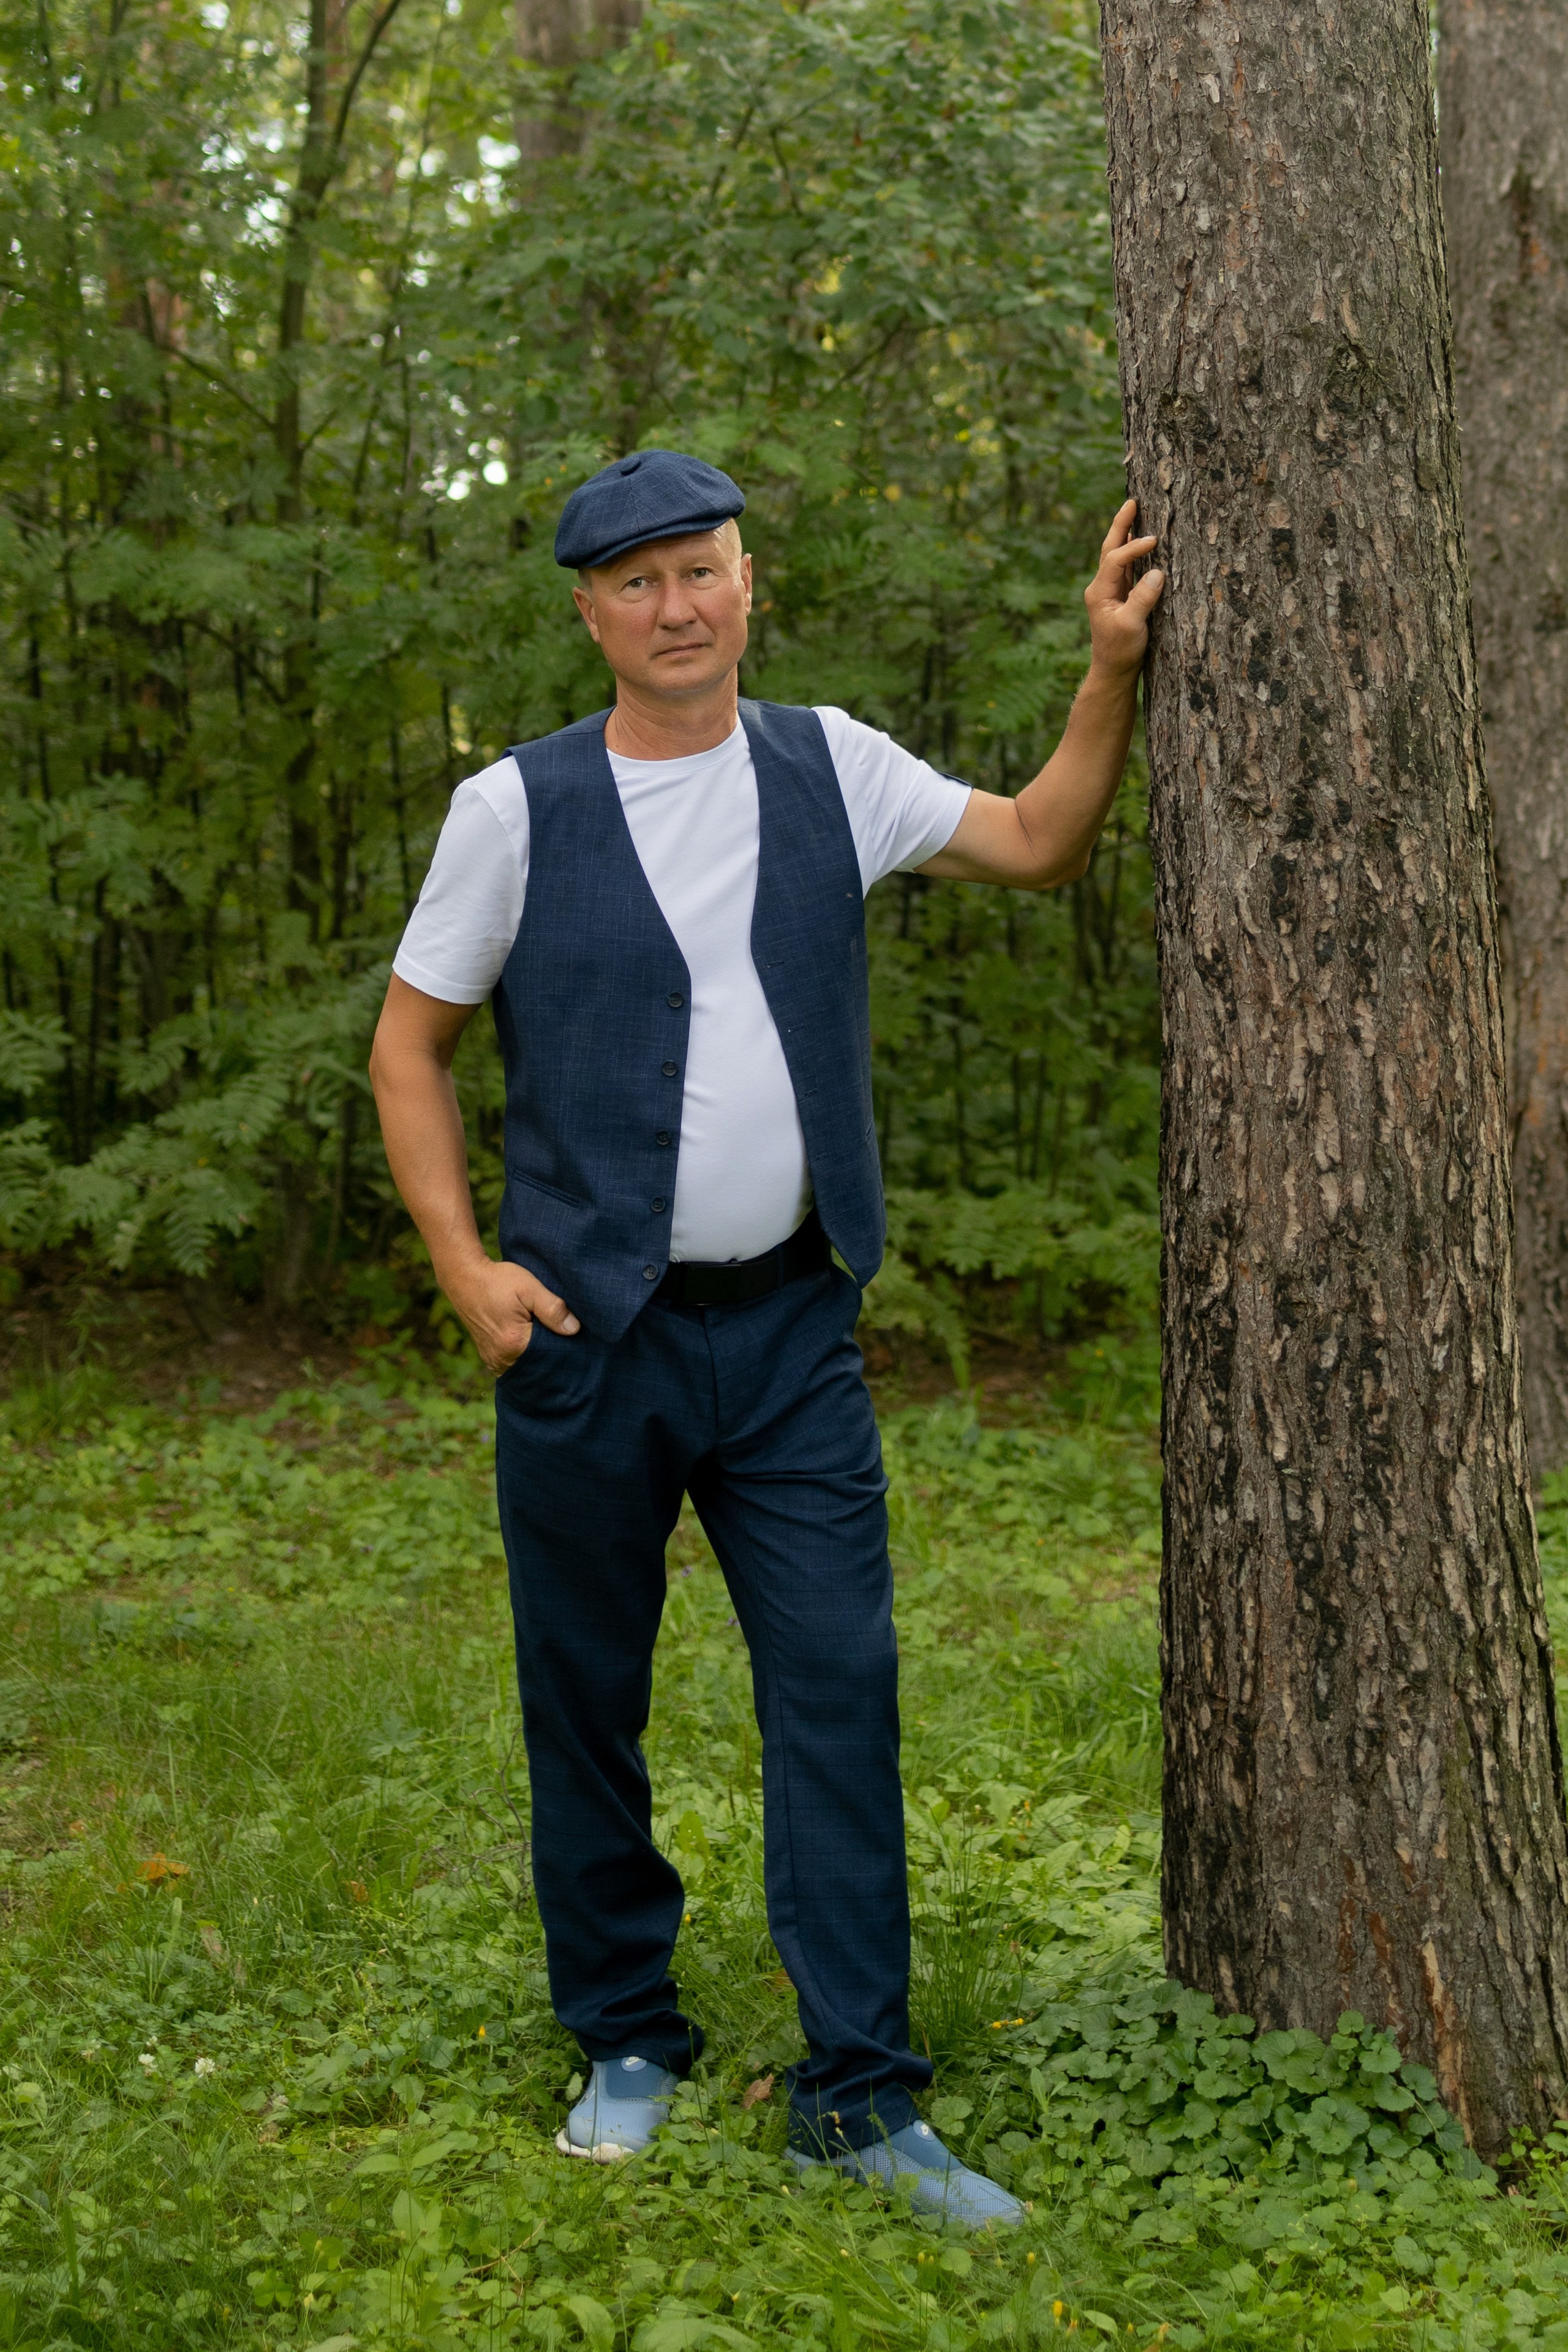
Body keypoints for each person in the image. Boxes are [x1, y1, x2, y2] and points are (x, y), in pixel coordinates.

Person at [368, 450, 1164, 2228]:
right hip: (588, 1341)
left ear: (749, 582)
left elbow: (1038, 841)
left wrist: (1108, 672)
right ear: (589, 611)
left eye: (702, 570)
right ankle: (627, 2034)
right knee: (587, 1699)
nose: (677, 606)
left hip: (793, 1327)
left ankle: (863, 2099)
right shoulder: (517, 809)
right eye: (638, 581)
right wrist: (464, 1268)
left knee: (840, 1686)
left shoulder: (833, 764)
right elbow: (407, 1046)